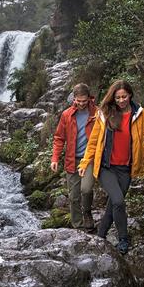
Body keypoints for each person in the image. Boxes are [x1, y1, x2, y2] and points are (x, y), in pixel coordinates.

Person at [78, 80, 144, 254]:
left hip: (126, 168)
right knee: (118, 201)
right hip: (106, 167)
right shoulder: (105, 114)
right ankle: (123, 239)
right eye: (117, 97)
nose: (121, 100)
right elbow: (94, 142)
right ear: (113, 97)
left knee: (114, 205)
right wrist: (84, 162)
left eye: (124, 96)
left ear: (130, 95)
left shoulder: (141, 114)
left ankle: (101, 236)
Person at [51, 83, 98, 232]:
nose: (82, 104)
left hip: (89, 159)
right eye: (79, 101)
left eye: (84, 101)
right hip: (72, 159)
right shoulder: (67, 115)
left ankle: (87, 213)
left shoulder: (97, 113)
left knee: (86, 189)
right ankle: (78, 226)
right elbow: (59, 138)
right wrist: (55, 158)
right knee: (74, 196)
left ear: (89, 98)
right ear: (74, 99)